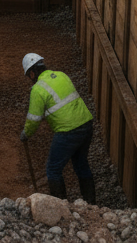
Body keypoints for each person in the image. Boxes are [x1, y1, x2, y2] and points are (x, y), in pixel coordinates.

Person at [19, 52, 96, 203]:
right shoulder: (61, 75)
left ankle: (59, 207)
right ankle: (92, 204)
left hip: (68, 132)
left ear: (32, 73)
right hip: (86, 125)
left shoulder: (38, 89)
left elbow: (34, 119)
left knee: (53, 170)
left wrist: (26, 133)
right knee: (81, 165)